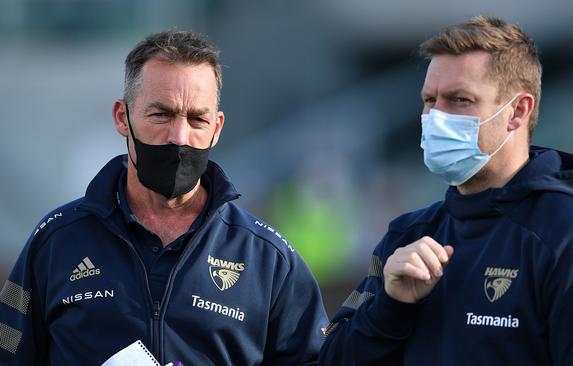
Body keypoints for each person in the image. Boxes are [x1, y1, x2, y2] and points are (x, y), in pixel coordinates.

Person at [319, 16, 573, 365]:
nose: (435, 117)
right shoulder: (406, 235)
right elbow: (332, 360)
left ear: (517, 111)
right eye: (430, 100)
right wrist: (390, 307)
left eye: (459, 100)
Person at [0, 30, 328, 365]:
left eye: (197, 119)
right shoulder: (55, 241)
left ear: (216, 128)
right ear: (122, 117)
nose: (179, 136)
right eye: (162, 115)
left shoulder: (268, 258)